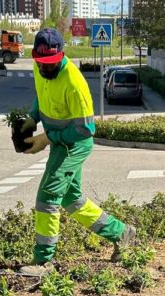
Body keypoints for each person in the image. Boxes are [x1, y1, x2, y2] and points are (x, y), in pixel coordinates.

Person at [19, 28, 136, 276]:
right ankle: (121, 233)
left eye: (51, 63)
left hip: (74, 145)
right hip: (60, 142)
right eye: (41, 63)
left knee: (48, 195)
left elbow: (86, 130)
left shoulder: (74, 83)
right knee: (71, 199)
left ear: (61, 55)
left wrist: (47, 138)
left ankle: (43, 263)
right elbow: (42, 95)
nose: (45, 68)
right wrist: (31, 120)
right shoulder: (39, 68)